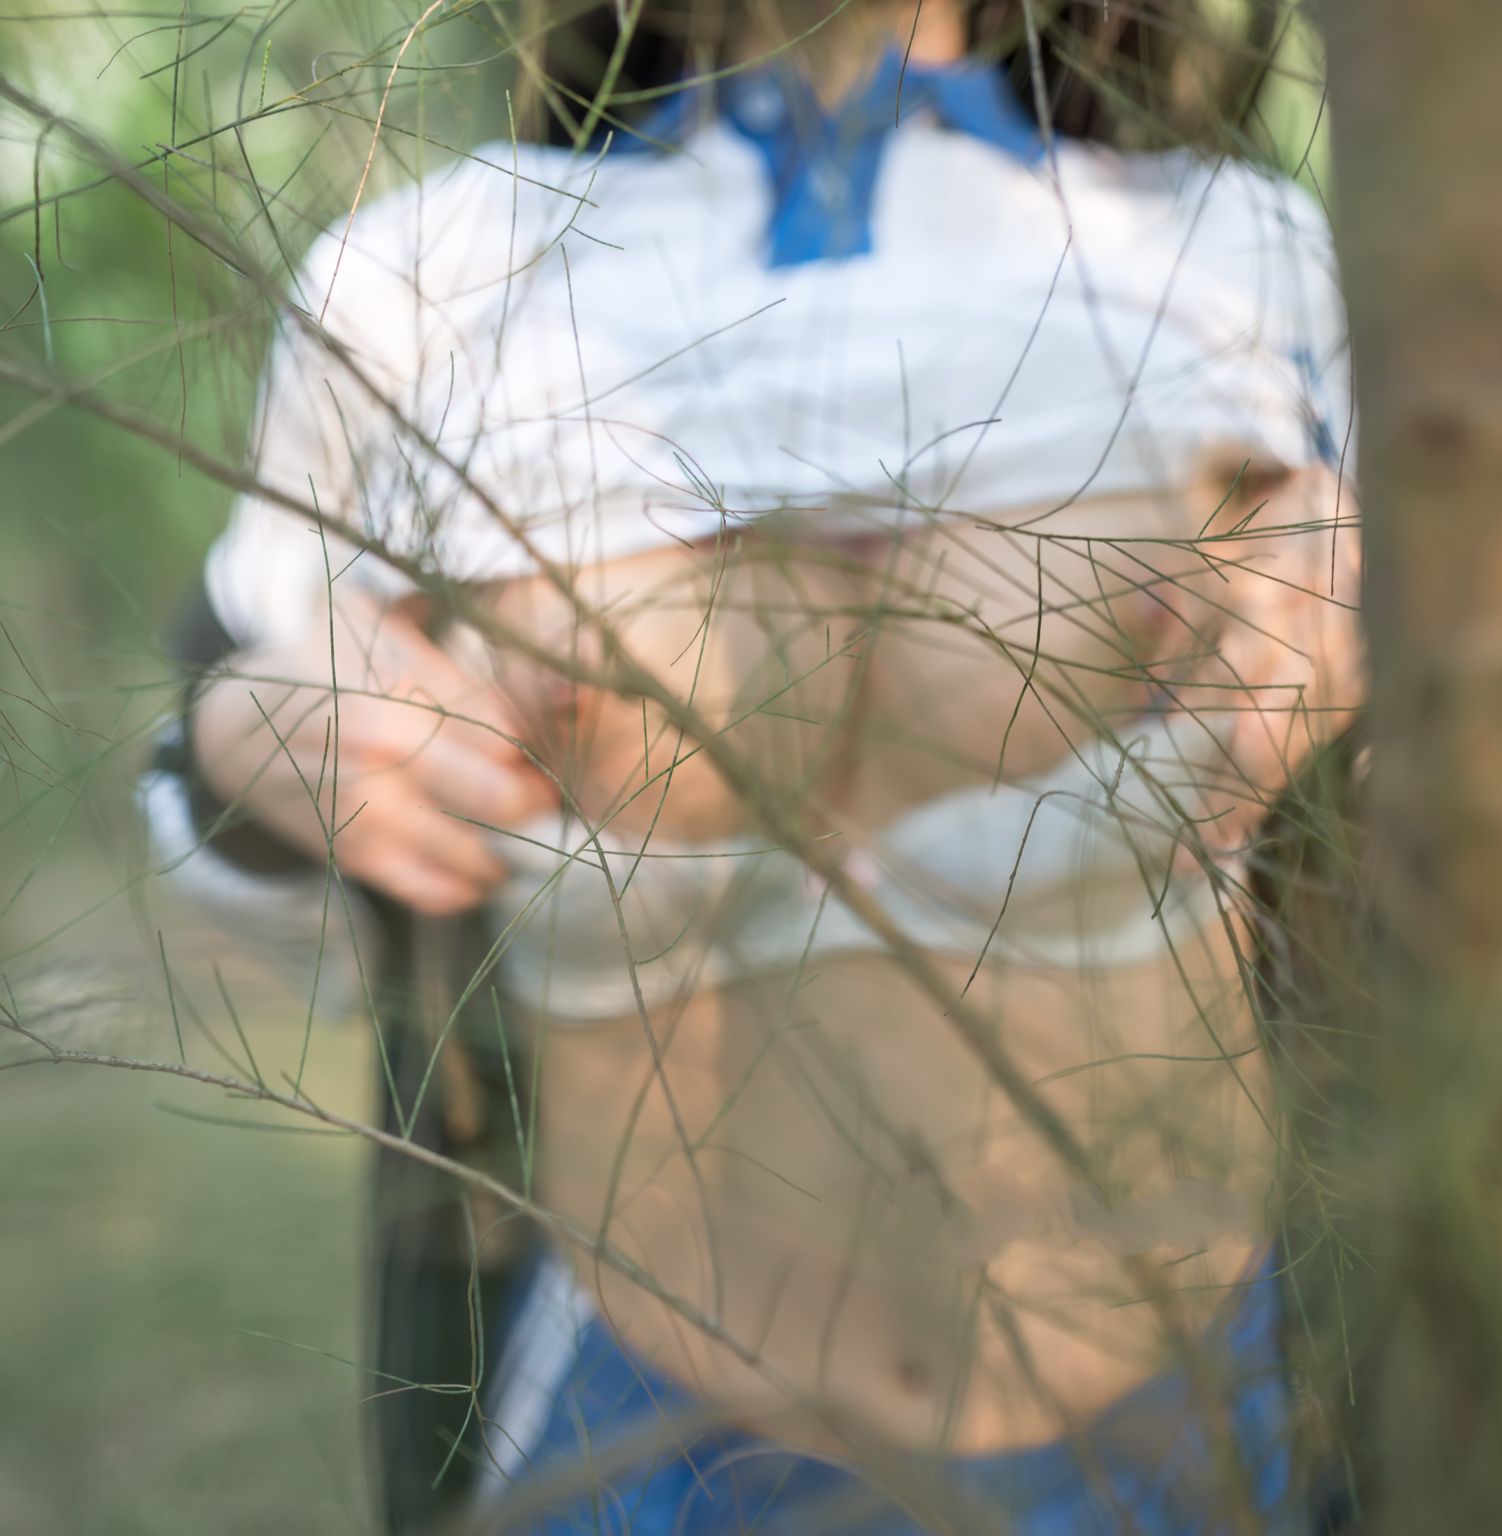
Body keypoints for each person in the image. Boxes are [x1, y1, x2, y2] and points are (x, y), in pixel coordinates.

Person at [140, 1, 1361, 1530]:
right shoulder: (429, 283)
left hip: (1193, 1432)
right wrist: (251, 735)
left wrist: (1393, 599)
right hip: (639, 1443)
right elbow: (269, 907)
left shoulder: (1243, 255)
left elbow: (1442, 840)